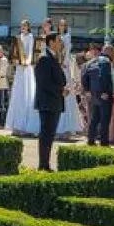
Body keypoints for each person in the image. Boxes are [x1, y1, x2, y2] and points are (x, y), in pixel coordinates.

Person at [34, 32, 67, 172]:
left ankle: (45, 164)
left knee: (50, 134)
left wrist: (64, 88)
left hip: (54, 101)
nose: (61, 43)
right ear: (51, 42)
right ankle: (43, 164)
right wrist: (61, 90)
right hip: (48, 102)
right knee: (46, 134)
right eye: (59, 40)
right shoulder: (44, 58)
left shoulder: (53, 57)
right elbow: (44, 83)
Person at [5, 19, 39, 136]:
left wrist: (27, 61)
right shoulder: (17, 37)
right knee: (18, 94)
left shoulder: (30, 36)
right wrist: (15, 61)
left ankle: (26, 126)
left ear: (28, 27)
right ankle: (16, 125)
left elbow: (30, 51)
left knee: (27, 93)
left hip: (27, 67)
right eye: (22, 26)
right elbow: (14, 52)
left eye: (25, 26)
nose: (23, 27)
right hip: (19, 68)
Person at [81, 44, 114, 146]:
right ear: (108, 52)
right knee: (104, 118)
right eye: (111, 51)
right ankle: (104, 142)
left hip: (93, 93)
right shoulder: (105, 61)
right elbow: (103, 75)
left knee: (95, 118)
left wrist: (87, 90)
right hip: (103, 93)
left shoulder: (90, 62)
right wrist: (104, 91)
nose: (113, 53)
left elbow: (84, 76)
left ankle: (91, 139)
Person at [55, 19, 82, 139]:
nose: (62, 26)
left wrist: (63, 62)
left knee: (66, 94)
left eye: (64, 25)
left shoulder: (67, 36)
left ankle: (67, 126)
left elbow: (66, 51)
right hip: (56, 65)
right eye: (60, 25)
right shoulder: (55, 36)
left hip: (64, 66)